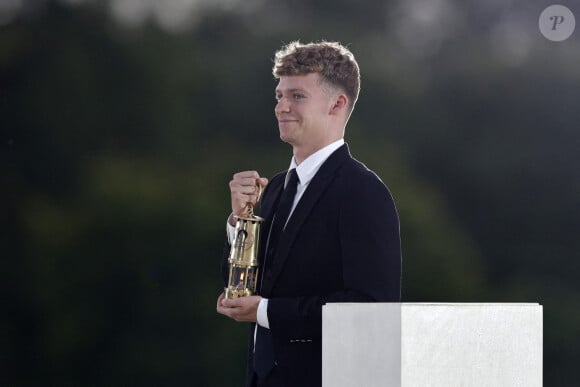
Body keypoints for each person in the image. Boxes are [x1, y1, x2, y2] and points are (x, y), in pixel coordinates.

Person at [216, 40, 402, 387]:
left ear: (337, 103)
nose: (281, 107)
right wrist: (239, 222)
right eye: (279, 95)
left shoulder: (363, 192)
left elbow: (371, 309)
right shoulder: (273, 190)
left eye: (297, 96)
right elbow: (240, 290)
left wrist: (264, 312)